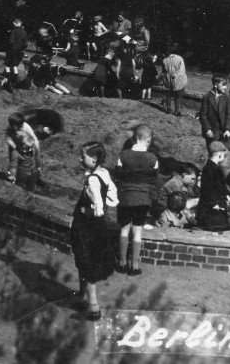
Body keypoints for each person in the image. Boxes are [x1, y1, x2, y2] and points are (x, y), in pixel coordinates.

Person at [70, 142, 118, 322]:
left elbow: (97, 207)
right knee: (86, 260)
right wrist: (102, 208)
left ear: (94, 159)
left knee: (86, 262)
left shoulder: (92, 180)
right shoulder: (104, 173)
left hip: (86, 226)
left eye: (83, 156)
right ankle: (83, 296)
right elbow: (112, 198)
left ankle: (93, 307)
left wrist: (90, 208)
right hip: (98, 227)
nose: (80, 159)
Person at [113, 124, 158, 276]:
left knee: (124, 229)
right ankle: (135, 265)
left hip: (125, 197)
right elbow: (154, 180)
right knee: (138, 231)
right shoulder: (152, 158)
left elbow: (117, 175)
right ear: (149, 140)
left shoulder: (123, 155)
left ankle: (122, 263)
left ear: (134, 138)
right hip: (143, 199)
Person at [195, 141, 230, 231]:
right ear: (219, 155)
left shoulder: (215, 168)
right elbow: (208, 189)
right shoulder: (209, 169)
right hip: (211, 210)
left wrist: (226, 194)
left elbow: (220, 186)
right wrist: (215, 204)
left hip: (217, 207)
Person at [199, 74, 230, 147]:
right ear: (215, 85)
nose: (226, 87)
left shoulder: (227, 97)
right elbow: (203, 116)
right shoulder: (207, 97)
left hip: (224, 131)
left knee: (225, 151)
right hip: (212, 131)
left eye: (226, 85)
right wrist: (208, 129)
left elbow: (229, 114)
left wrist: (227, 129)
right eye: (223, 85)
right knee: (213, 152)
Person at [162, 46, 188, 116]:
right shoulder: (180, 58)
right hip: (177, 78)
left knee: (168, 95)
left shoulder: (165, 60)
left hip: (167, 78)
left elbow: (163, 71)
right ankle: (177, 110)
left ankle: (168, 109)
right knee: (177, 95)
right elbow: (182, 70)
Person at [4, 18, 28, 92]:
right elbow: (25, 44)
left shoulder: (13, 31)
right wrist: (20, 49)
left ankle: (9, 83)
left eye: (14, 23)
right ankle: (14, 83)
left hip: (12, 50)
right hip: (20, 52)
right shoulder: (24, 32)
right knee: (15, 66)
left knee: (7, 66)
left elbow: (11, 41)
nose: (13, 24)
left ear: (16, 23)